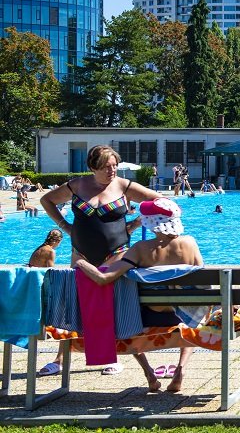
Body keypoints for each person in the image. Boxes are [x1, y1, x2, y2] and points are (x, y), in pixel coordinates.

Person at [39, 145, 160, 377]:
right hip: (81, 255)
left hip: (117, 253)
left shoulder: (124, 186)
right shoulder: (77, 185)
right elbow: (47, 201)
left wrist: (135, 224)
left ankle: (116, 357)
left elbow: (160, 201)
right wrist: (65, 226)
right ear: (92, 167)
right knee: (75, 306)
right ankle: (60, 359)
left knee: (114, 308)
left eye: (114, 166)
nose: (112, 170)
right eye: (106, 166)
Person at [73, 198, 203, 392]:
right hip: (186, 315)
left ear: (150, 222)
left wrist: (80, 262)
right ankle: (180, 370)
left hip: (149, 316)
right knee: (190, 312)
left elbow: (103, 279)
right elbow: (200, 278)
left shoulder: (140, 249)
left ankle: (149, 372)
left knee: (123, 312)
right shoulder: (190, 243)